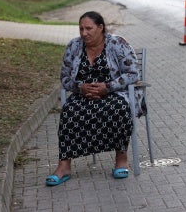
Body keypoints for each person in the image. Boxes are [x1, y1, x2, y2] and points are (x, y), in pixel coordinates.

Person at [46, 11, 140, 186]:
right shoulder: (73, 46)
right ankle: (64, 166)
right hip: (84, 95)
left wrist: (108, 87)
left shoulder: (117, 44)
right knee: (69, 110)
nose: (84, 33)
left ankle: (121, 158)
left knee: (118, 108)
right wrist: (80, 88)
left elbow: (133, 73)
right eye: (81, 29)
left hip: (113, 94)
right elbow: (65, 78)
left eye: (88, 28)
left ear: (101, 28)